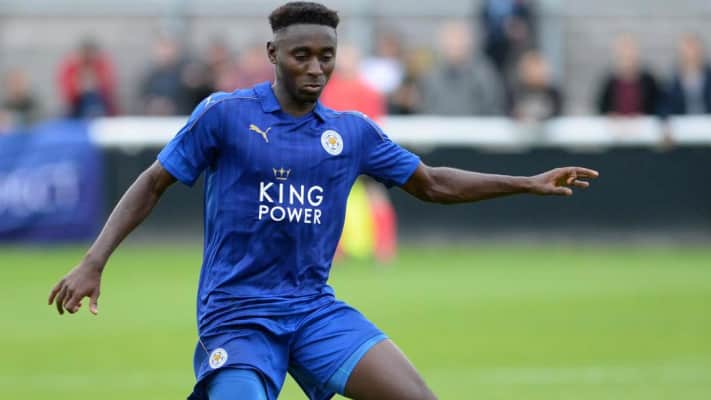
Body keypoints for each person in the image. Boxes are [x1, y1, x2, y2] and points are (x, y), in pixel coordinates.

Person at [47, 3, 598, 400]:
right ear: (273, 54)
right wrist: (94, 261)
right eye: (302, 56)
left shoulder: (351, 133)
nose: (315, 68)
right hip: (239, 316)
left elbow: (432, 183)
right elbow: (152, 183)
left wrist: (525, 182)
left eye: (326, 57)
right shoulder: (225, 115)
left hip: (312, 310)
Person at [421, 21, 506, 116]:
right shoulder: (432, 76)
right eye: (450, 42)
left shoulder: (484, 74)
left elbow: (494, 106)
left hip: (476, 124)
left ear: (468, 43)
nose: (455, 45)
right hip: (440, 124)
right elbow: (426, 107)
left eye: (458, 40)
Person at [596, 34, 660, 116]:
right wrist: (611, 114)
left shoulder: (648, 80)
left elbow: (657, 104)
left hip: (643, 123)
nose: (627, 56)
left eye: (630, 53)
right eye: (623, 54)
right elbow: (601, 106)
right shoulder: (610, 81)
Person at [57, 38, 118, 118]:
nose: (88, 56)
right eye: (85, 53)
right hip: (77, 103)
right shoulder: (72, 68)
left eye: (90, 53)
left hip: (99, 102)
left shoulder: (102, 66)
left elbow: (108, 87)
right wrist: (79, 86)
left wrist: (95, 82)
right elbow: (68, 90)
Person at [664, 33, 711, 115]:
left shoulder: (708, 76)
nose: (690, 55)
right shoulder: (673, 80)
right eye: (686, 51)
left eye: (694, 50)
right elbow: (666, 104)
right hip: (682, 121)